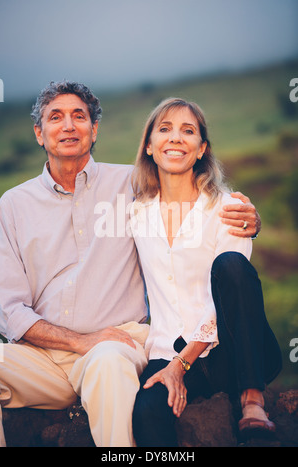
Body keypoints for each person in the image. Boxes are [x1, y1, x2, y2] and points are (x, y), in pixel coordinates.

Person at [0, 82, 260, 448]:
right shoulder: (12, 205)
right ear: (40, 134)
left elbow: (190, 189)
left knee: (108, 363)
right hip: (41, 357)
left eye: (79, 117)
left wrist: (250, 220)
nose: (69, 126)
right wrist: (78, 340)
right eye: (55, 118)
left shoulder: (134, 183)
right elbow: (9, 311)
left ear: (95, 130)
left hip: (114, 345)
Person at [131, 98, 282, 447]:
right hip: (167, 352)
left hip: (229, 351)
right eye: (164, 129)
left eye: (188, 131)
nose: (175, 138)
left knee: (230, 265)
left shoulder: (229, 208)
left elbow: (234, 285)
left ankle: (252, 400)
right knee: (147, 413)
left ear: (201, 149)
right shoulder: (136, 213)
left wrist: (181, 365)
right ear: (149, 147)